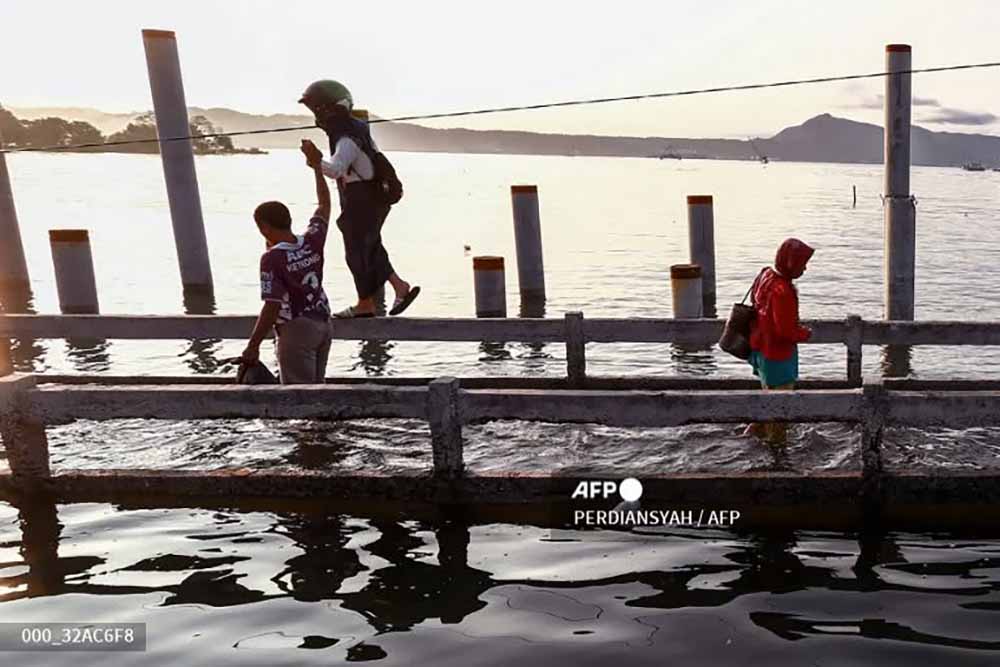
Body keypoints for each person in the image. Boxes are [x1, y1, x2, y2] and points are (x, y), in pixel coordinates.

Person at [298, 79, 420, 318]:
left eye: (317, 109)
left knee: (356, 252)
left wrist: (315, 161)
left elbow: (336, 169)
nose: (316, 116)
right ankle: (398, 287)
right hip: (370, 197)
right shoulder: (354, 130)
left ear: (329, 109)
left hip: (363, 198)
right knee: (370, 246)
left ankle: (366, 303)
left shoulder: (346, 137)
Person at [240, 141, 334, 384]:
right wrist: (316, 167)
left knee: (299, 401)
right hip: (323, 323)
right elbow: (324, 204)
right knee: (317, 389)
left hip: (296, 329)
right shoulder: (312, 239)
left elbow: (271, 307)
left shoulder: (272, 259)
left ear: (263, 227)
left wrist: (253, 346)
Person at [745, 238, 815, 445]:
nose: (805, 268)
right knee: (780, 408)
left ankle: (752, 435)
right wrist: (806, 334)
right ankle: (777, 451)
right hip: (778, 355)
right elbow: (785, 331)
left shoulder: (766, 275)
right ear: (791, 263)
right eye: (802, 263)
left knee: (768, 398)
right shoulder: (782, 291)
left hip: (761, 351)